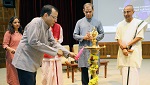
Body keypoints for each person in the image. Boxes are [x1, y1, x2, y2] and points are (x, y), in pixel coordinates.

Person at [12, 5, 76, 85]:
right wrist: (55, 51)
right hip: (24, 61)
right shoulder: (36, 23)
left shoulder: (48, 28)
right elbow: (33, 42)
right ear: (46, 15)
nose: (55, 20)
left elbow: (54, 43)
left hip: (32, 63)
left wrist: (68, 53)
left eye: (56, 18)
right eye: (54, 17)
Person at [115, 5, 148, 85]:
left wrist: (126, 46)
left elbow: (139, 37)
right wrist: (123, 49)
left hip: (134, 51)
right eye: (124, 12)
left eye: (128, 11)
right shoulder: (120, 24)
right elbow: (118, 38)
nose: (126, 14)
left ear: (133, 12)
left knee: (133, 72)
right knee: (124, 72)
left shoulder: (139, 23)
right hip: (123, 52)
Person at [73, 3, 104, 85]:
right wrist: (83, 37)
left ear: (93, 10)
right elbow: (74, 35)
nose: (88, 13)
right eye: (86, 12)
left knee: (94, 70)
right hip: (83, 49)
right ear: (83, 11)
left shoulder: (97, 22)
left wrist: (95, 38)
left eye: (90, 11)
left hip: (94, 50)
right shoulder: (79, 22)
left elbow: (102, 34)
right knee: (84, 71)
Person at [3, 16, 23, 85]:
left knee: (20, 73)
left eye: (18, 22)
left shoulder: (21, 33)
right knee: (13, 73)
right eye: (15, 22)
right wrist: (11, 49)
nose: (17, 24)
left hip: (20, 55)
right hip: (12, 56)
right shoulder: (8, 33)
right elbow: (5, 45)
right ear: (11, 24)